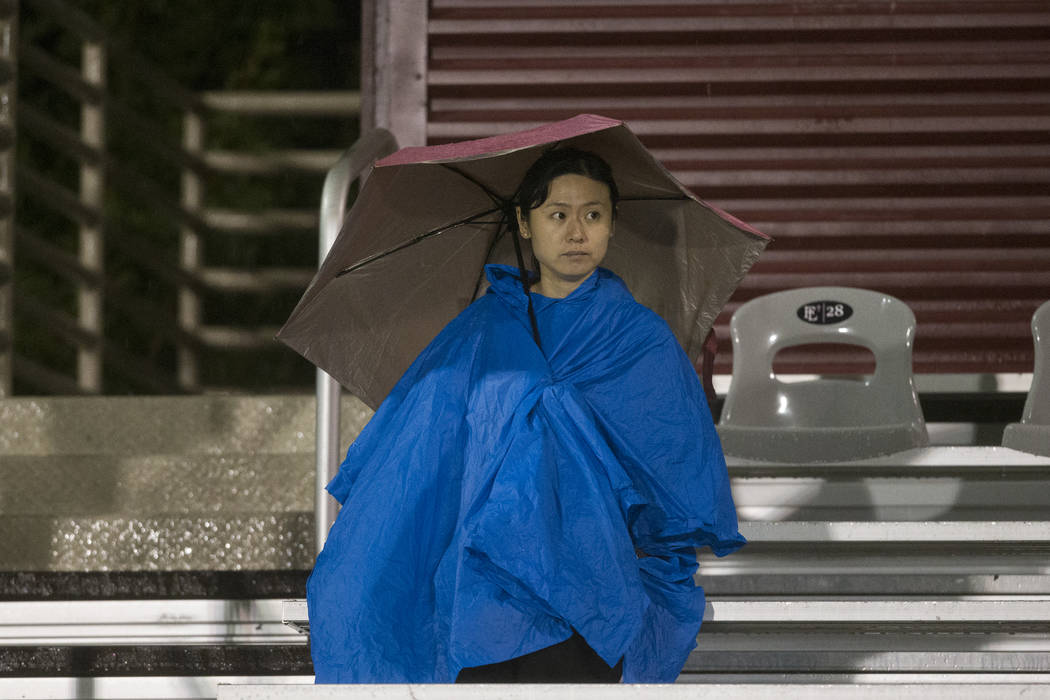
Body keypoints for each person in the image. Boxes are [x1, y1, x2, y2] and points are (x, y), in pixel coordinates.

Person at [306, 147, 744, 684]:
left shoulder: (641, 339)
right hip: (482, 576)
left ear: (611, 225)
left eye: (593, 214)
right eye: (557, 214)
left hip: (591, 579)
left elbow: (673, 466)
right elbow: (424, 441)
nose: (576, 231)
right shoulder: (485, 327)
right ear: (525, 223)